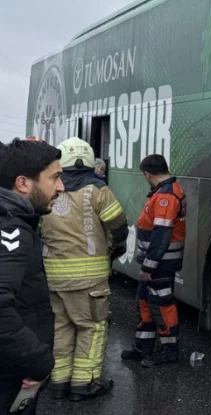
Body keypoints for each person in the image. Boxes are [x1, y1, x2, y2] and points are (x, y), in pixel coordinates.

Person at [41, 138, 128, 401]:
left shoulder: (48, 190)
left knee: (62, 327)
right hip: (90, 279)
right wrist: (114, 251)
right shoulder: (98, 191)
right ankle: (85, 383)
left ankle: (59, 382)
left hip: (55, 277)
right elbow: (119, 227)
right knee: (92, 327)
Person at [0, 138, 64, 413]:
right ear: (23, 183)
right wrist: (38, 359)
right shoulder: (13, 230)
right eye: (55, 178)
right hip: (11, 372)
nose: (61, 187)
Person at [120, 154, 185, 368]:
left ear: (147, 174)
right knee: (145, 302)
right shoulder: (163, 192)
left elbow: (162, 234)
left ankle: (169, 351)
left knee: (162, 306)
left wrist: (149, 264)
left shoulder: (166, 195)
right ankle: (143, 347)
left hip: (160, 264)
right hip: (156, 262)